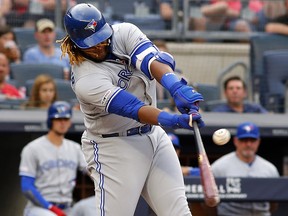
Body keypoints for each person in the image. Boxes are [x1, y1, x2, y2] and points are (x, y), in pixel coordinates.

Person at [58, 3, 205, 215]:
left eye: (101, 37)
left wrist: (177, 87)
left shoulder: (124, 32)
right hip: (113, 145)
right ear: (75, 43)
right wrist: (172, 120)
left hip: (153, 136)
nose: (99, 45)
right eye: (91, 43)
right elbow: (132, 107)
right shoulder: (85, 79)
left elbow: (151, 60)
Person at [19, 101, 87, 216]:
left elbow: (91, 171)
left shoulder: (75, 148)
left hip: (67, 207)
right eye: (58, 119)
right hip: (40, 208)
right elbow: (26, 187)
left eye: (65, 119)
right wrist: (50, 208)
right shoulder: (32, 148)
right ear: (50, 121)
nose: (62, 123)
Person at [209, 121, 279, 216]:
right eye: (244, 140)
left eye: (252, 140)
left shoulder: (270, 169)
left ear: (258, 142)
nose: (248, 144)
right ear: (236, 141)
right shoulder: (219, 166)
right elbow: (209, 202)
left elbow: (274, 202)